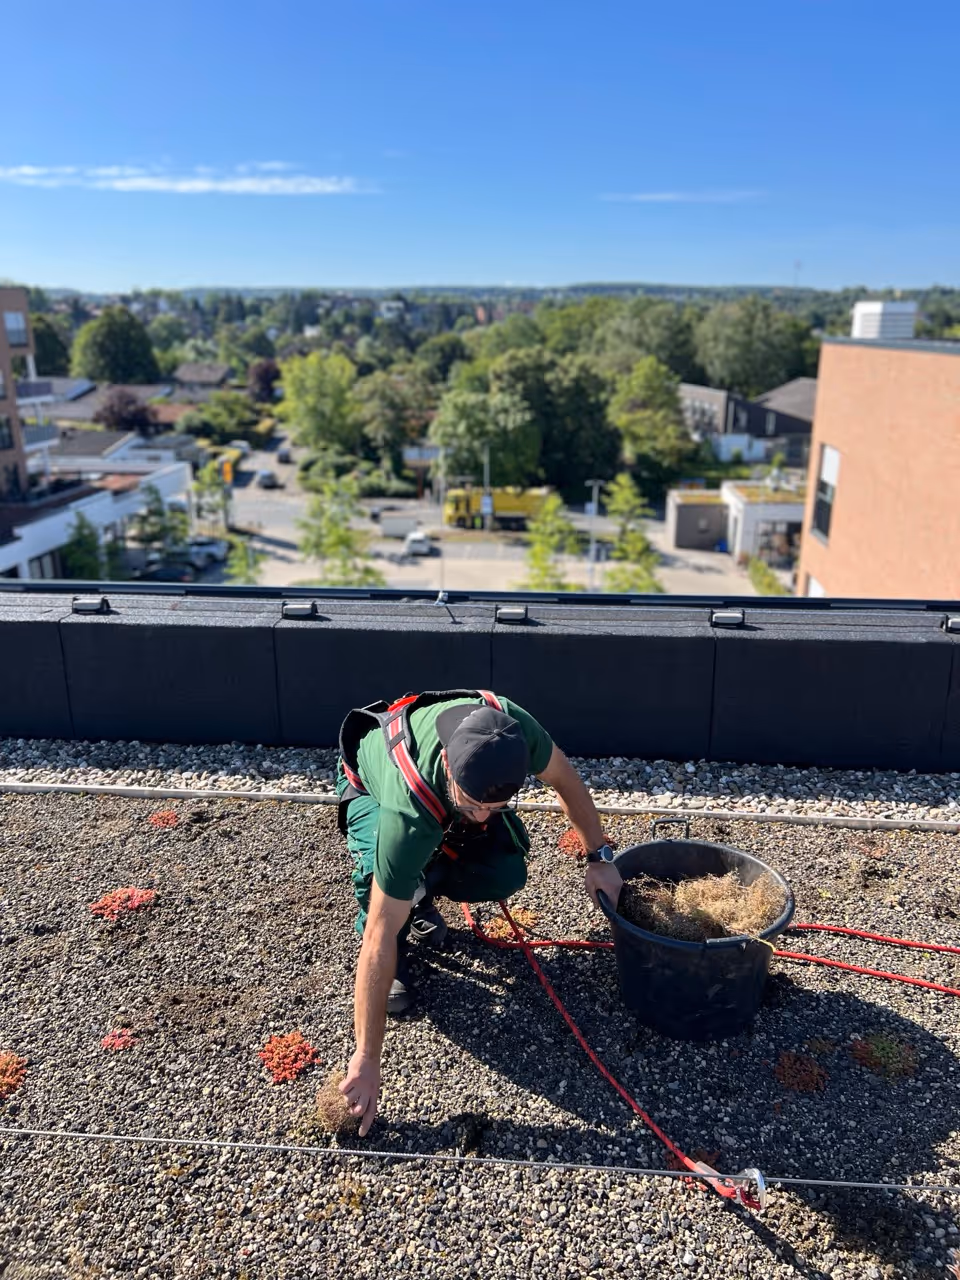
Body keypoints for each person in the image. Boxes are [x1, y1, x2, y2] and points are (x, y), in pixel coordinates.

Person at [334, 687, 622, 1136]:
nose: (485, 818)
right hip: (371, 790)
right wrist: (367, 1058)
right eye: (476, 806)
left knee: (504, 869)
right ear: (448, 767)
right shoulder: (408, 813)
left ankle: (419, 886)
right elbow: (377, 936)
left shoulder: (511, 728)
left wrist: (599, 857)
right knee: (385, 887)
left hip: (442, 800)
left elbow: (565, 778)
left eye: (496, 807)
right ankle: (408, 893)